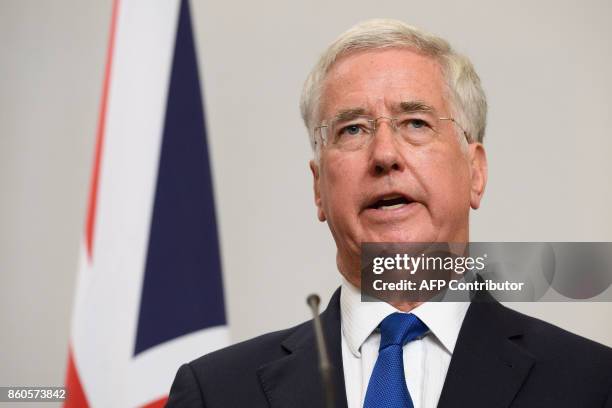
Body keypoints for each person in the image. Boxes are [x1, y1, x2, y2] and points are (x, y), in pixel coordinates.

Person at [166, 19, 612, 407]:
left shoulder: (592, 384)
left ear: (475, 171)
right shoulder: (217, 392)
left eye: (415, 123)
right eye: (352, 129)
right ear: (318, 187)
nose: (384, 154)